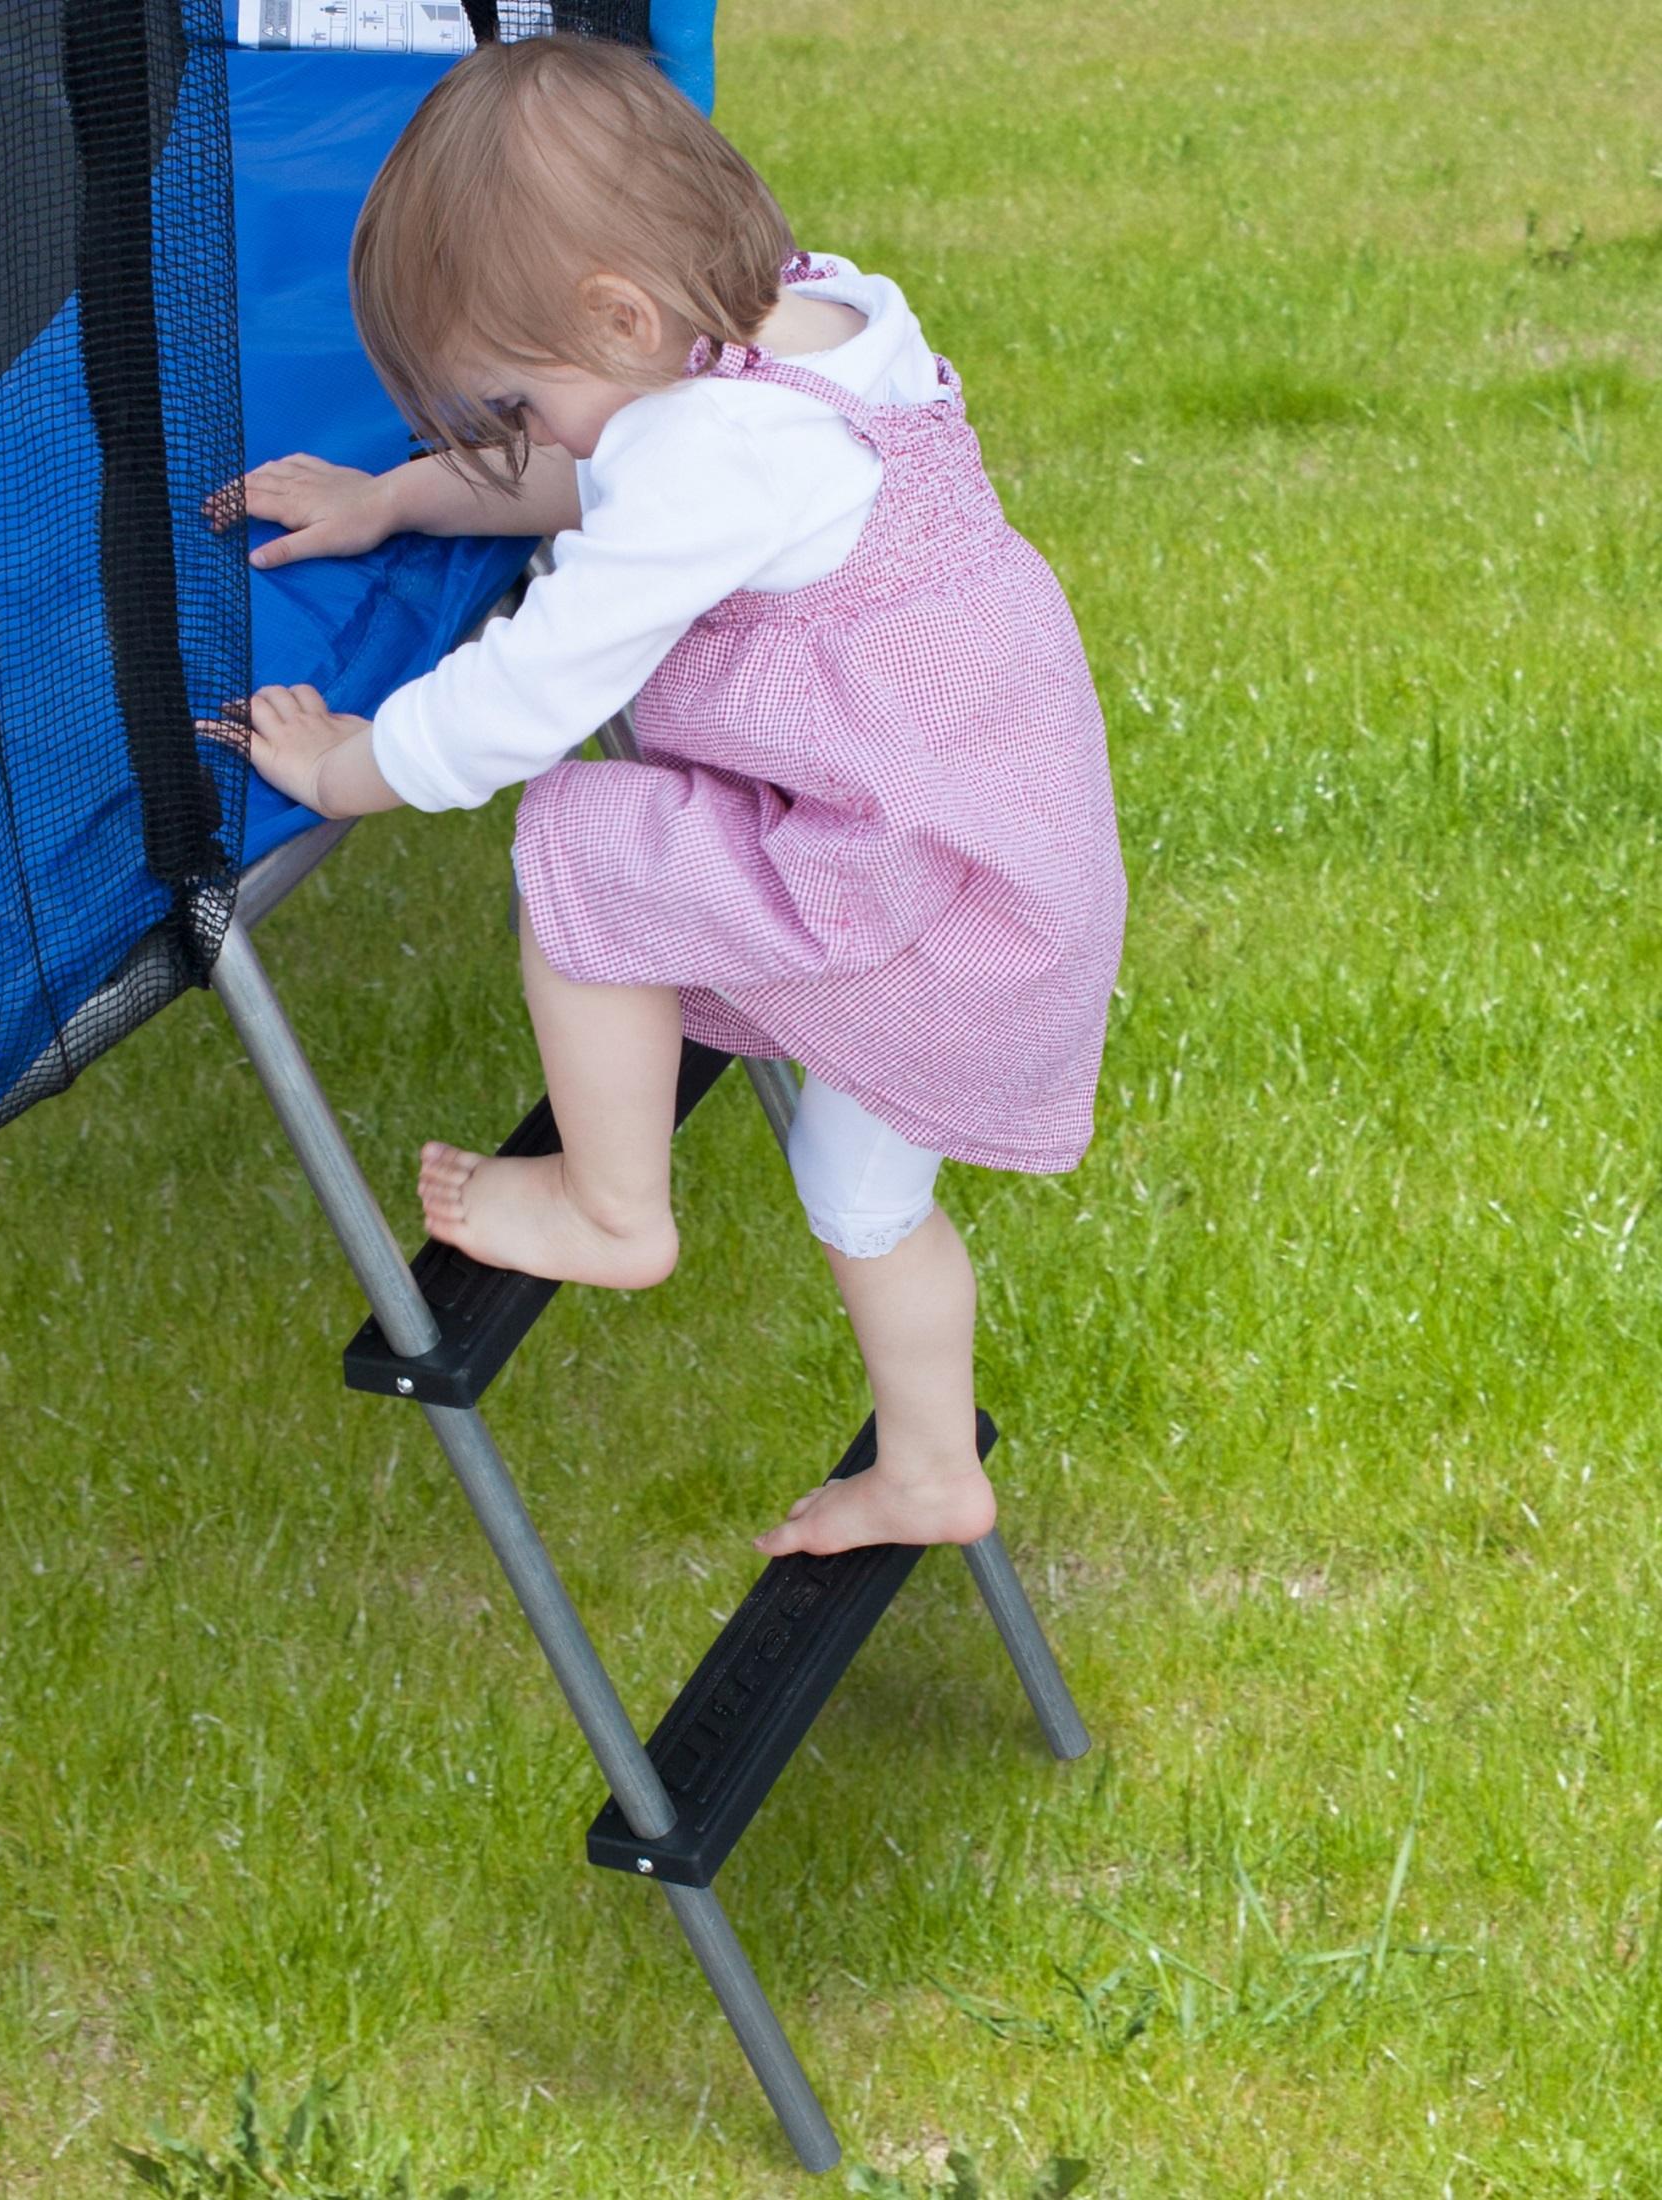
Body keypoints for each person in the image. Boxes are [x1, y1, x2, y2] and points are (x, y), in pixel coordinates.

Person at [225, 36, 1125, 1558]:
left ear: (621, 317)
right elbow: (602, 466)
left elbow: (526, 698)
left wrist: (346, 765)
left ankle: (612, 1210)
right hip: (999, 856)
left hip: (902, 895)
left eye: (511, 396)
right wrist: (399, 498)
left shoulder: (710, 452)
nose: (519, 433)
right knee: (863, 1193)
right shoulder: (814, 322)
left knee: (579, 847)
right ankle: (927, 1470)